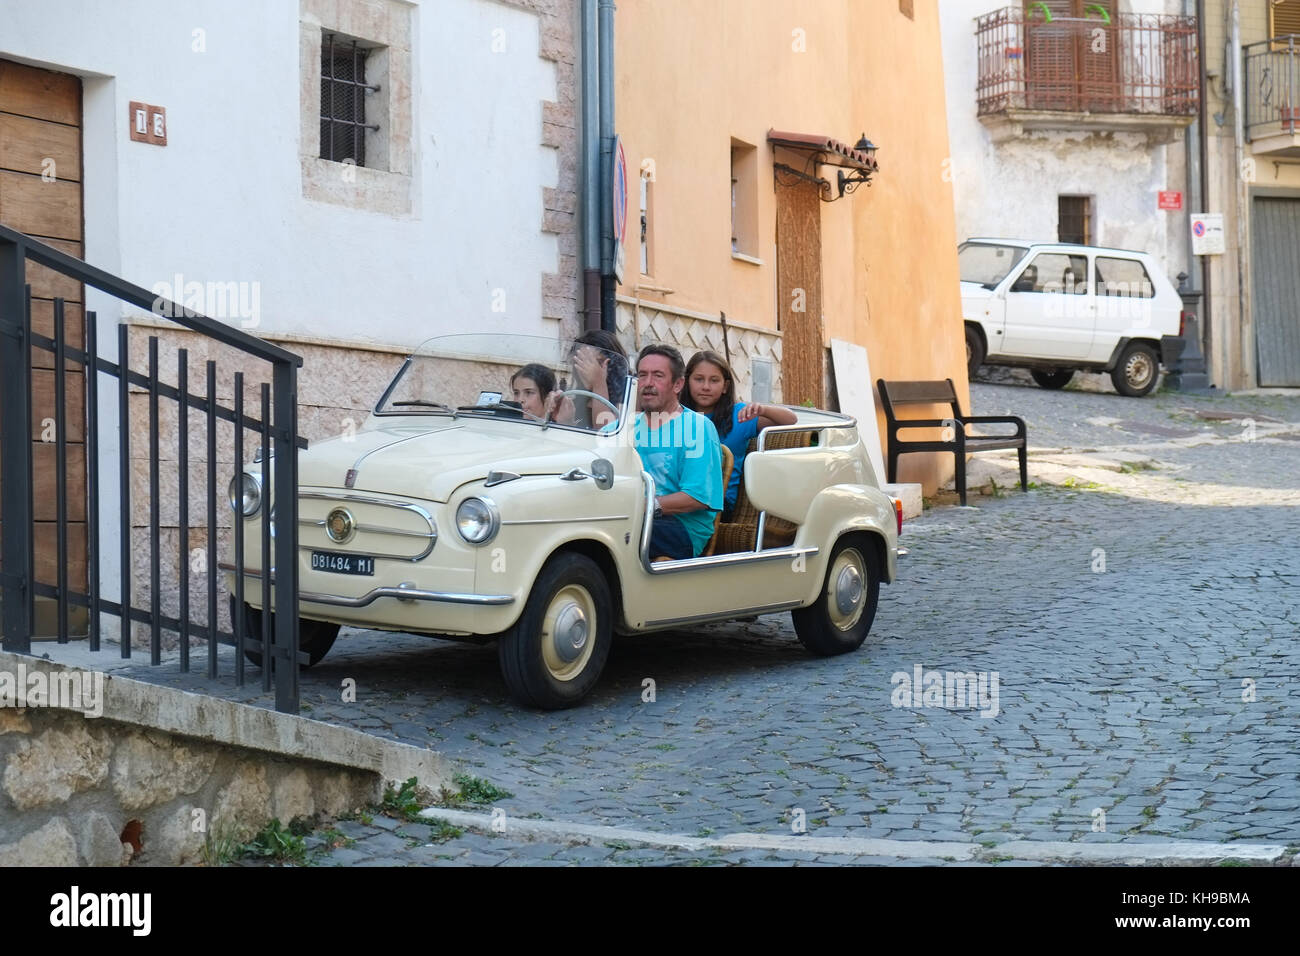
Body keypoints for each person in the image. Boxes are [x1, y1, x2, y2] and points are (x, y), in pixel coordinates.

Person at [682, 350, 797, 518]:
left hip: (718, 505)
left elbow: (791, 420)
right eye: (699, 379)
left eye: (714, 380)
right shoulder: (676, 415)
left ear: (725, 387)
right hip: (679, 495)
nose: (705, 386)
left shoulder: (739, 416)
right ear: (687, 382)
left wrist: (763, 409)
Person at [634, 344, 722, 560]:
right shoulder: (622, 426)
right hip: (632, 517)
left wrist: (641, 507)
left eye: (658, 376)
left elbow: (696, 497)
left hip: (681, 528)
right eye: (642, 375)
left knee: (616, 531)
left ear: (678, 384)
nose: (648, 383)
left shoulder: (697, 427)